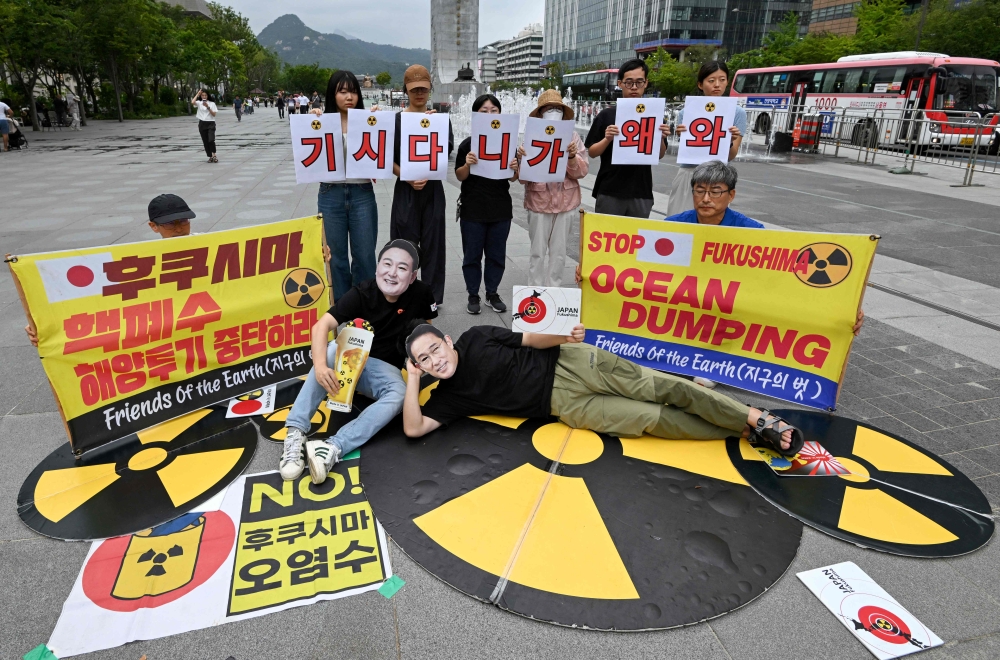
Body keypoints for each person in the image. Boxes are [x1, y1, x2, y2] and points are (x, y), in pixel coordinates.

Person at [402, 324, 804, 457]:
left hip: (569, 362)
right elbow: (414, 429)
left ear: (449, 341)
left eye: (435, 348)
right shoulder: (446, 398)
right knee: (650, 420)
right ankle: (743, 430)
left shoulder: (476, 338)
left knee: (659, 387)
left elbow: (530, 340)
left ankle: (757, 417)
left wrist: (566, 336)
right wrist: (414, 382)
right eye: (423, 360)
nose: (435, 360)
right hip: (564, 406)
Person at [663, 160, 865, 388]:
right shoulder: (673, 227)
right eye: (699, 191)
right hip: (686, 309)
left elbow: (782, 281)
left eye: (715, 191)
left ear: (731, 195)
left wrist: (843, 311)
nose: (706, 198)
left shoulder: (752, 233)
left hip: (728, 311)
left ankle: (719, 358)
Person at [281, 240, 438, 483]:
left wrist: (417, 359)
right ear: (377, 268)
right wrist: (321, 366)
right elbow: (321, 326)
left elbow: (427, 328)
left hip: (383, 371)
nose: (392, 273)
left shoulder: (422, 293)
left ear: (412, 276)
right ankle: (295, 432)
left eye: (402, 268)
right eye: (386, 264)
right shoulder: (361, 293)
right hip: (349, 363)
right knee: (331, 350)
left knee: (400, 393)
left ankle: (332, 448)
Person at [24, 194, 195, 347]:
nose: (179, 229)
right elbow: (98, 301)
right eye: (170, 224)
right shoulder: (138, 262)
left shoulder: (213, 248)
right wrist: (47, 326)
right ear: (153, 226)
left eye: (184, 221)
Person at [306, 71, 380, 301]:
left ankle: (365, 305)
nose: (349, 96)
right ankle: (341, 306)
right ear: (333, 94)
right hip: (330, 193)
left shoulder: (369, 120)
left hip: (362, 192)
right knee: (335, 256)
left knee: (365, 255)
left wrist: (379, 122)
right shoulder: (321, 122)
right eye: (342, 91)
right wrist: (311, 121)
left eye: (353, 91)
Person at [390, 64, 453, 306]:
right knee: (404, 243)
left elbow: (444, 151)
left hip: (433, 189)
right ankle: (403, 292)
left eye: (423, 89)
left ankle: (431, 297)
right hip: (405, 188)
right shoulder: (396, 121)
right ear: (406, 90)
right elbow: (386, 159)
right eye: (414, 89)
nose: (419, 93)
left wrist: (431, 129)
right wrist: (405, 175)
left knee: (434, 244)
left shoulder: (438, 120)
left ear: (430, 89)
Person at [454, 93, 519, 315]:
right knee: (471, 255)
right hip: (473, 208)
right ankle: (473, 294)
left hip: (500, 208)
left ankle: (492, 292)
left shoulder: (508, 143)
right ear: (475, 115)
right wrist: (468, 164)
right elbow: (459, 176)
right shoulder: (467, 145)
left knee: (496, 254)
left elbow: (513, 178)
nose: (490, 114)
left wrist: (515, 167)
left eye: (494, 110)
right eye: (484, 111)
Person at [518, 89, 588, 288]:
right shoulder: (530, 137)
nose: (553, 112)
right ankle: (535, 293)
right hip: (538, 202)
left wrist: (573, 157)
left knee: (559, 253)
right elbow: (523, 179)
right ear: (540, 113)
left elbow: (582, 172)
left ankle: (554, 292)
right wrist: (522, 158)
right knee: (537, 252)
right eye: (548, 108)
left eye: (557, 108)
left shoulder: (573, 137)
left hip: (567, 202)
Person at [584, 59, 671, 218]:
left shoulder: (654, 115)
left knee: (636, 240)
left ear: (646, 83)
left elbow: (659, 155)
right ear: (620, 83)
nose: (634, 87)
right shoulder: (606, 115)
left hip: (641, 191)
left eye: (639, 82)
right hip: (610, 189)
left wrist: (660, 137)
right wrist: (607, 139)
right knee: (607, 238)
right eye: (629, 82)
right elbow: (592, 152)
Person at [666, 61, 747, 217]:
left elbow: (732, 155)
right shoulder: (686, 112)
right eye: (711, 80)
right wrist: (681, 135)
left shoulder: (738, 113)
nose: (717, 85)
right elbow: (688, 150)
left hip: (718, 177)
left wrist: (729, 140)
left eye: (722, 80)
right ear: (700, 84)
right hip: (689, 173)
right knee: (679, 220)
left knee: (711, 223)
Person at [191, 90, 218, 163]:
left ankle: (214, 154)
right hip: (202, 124)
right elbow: (192, 102)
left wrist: (208, 107)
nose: (204, 97)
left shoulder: (212, 104)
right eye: (202, 95)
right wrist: (197, 94)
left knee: (211, 140)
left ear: (208, 96)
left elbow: (214, 114)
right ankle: (210, 156)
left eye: (205, 95)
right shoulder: (199, 103)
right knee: (205, 141)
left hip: (211, 123)